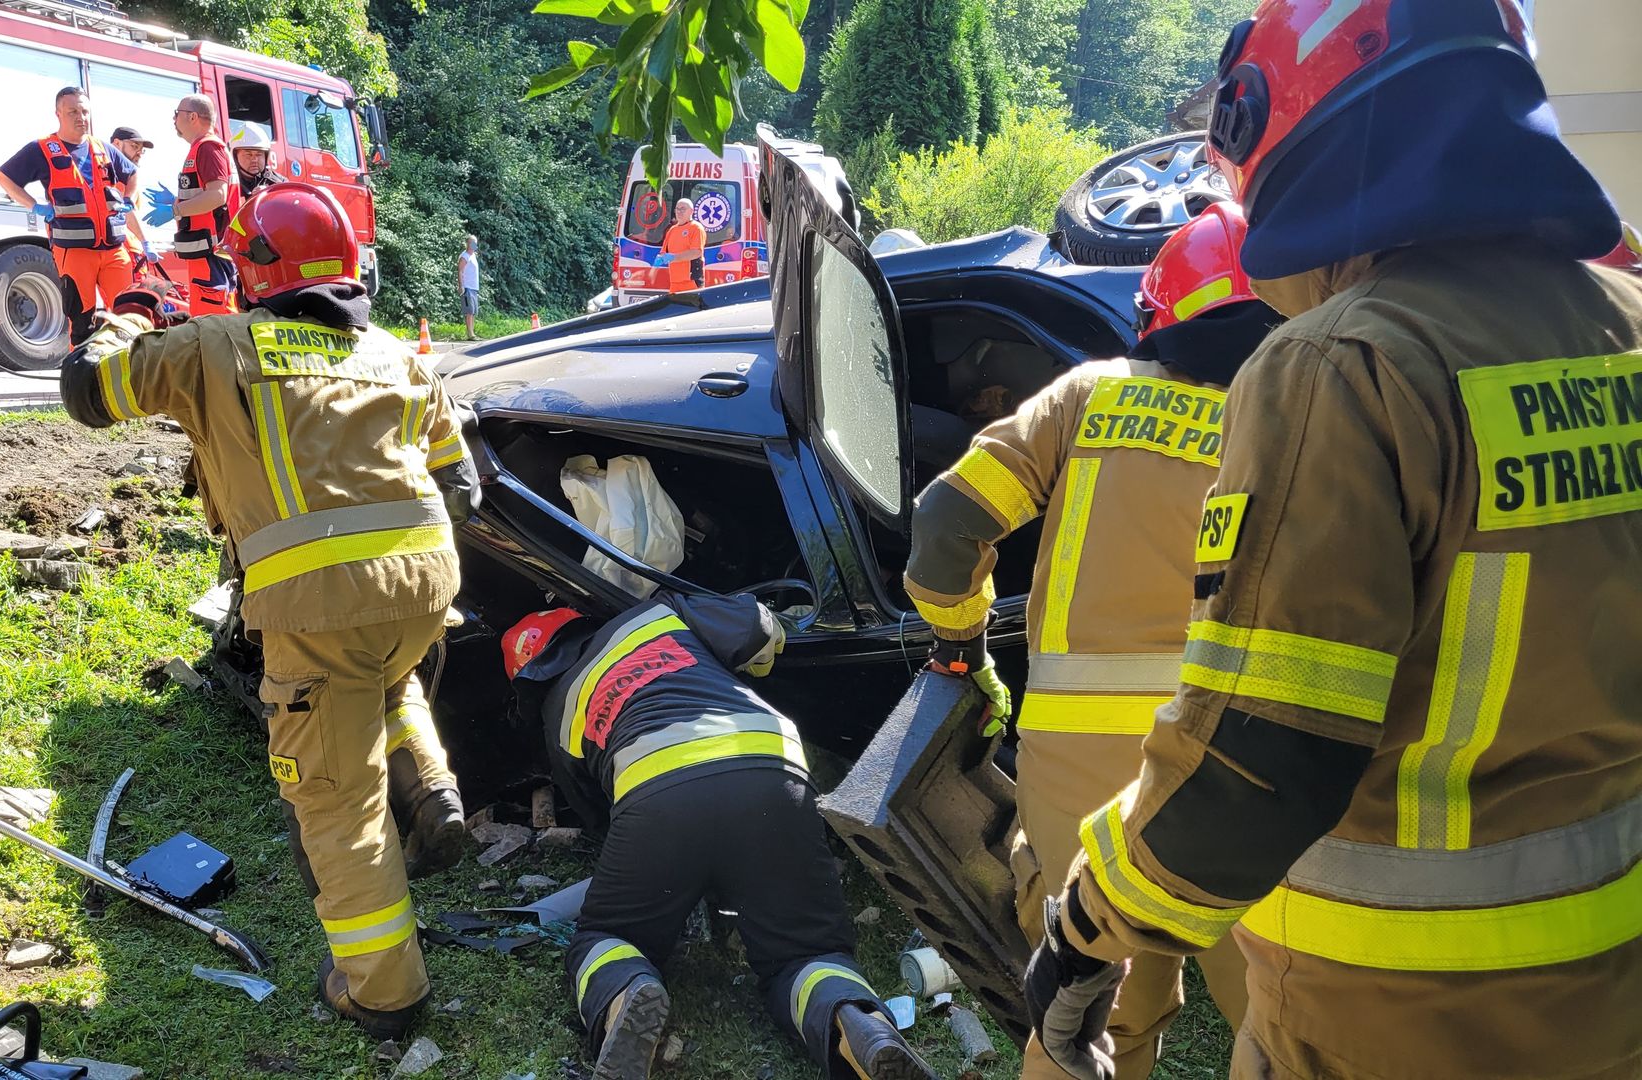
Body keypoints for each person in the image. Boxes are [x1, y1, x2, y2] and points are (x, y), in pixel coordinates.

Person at [1023, 5, 1642, 1080]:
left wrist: (1084, 926)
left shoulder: (1345, 367)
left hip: (1387, 1019)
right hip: (1610, 994)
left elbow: (1258, 764)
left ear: (1286, 134)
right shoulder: (1625, 326)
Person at [59, 182, 478, 1039]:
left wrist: (129, 313)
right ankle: (432, 788)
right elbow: (460, 481)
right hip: (426, 588)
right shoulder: (396, 354)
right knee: (382, 674)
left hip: (320, 607)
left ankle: (385, 993)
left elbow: (87, 391)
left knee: (336, 800)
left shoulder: (210, 346)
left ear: (254, 268)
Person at [906, 203, 1276, 1080]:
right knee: (1284, 1020)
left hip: (1076, 769)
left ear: (1157, 311)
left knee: (1088, 1011)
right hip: (1233, 761)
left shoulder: (1088, 394)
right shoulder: (1293, 419)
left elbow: (948, 522)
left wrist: (964, 645)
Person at [502, 595, 936, 1080]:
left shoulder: (558, 710)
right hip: (774, 768)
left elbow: (600, 819)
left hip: (659, 791)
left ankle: (627, 991)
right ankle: (860, 1026)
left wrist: (684, 868)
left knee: (608, 935)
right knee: (806, 951)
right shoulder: (654, 615)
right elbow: (754, 626)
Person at [0, 87, 138, 344]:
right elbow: (3, 177)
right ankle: (83, 379)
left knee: (129, 315)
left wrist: (127, 199)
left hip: (114, 250)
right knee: (82, 320)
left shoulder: (103, 148)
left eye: (84, 111)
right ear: (58, 114)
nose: (80, 117)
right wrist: (35, 206)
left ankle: (131, 372)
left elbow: (132, 173)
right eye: (73, 111)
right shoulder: (42, 149)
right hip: (74, 251)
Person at [145, 94, 238, 315]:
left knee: (213, 324)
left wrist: (174, 210)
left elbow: (217, 196)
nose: (174, 120)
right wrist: (177, 200)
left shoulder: (207, 148)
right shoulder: (204, 148)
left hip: (211, 254)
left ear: (193, 117)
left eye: (177, 114)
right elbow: (208, 195)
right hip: (207, 253)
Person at [108, 125, 156, 269]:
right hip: (125, 253)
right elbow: (126, 211)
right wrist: (145, 242)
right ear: (116, 143)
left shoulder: (126, 176)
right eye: (134, 146)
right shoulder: (114, 175)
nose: (139, 153)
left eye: (142, 150)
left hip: (129, 251)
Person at [653, 198, 705, 293]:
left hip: (691, 280)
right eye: (677, 209)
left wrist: (674, 257)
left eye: (683, 209)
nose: (679, 212)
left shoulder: (696, 228)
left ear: (691, 211)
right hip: (674, 282)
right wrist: (659, 259)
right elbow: (663, 252)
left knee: (693, 307)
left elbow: (696, 252)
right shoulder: (672, 230)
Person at [228, 120, 285, 199]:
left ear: (266, 156)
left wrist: (272, 193)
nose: (254, 159)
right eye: (248, 154)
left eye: (259, 154)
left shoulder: (279, 182)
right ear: (235, 157)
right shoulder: (228, 185)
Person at [457, 235, 479, 340]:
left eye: (475, 242)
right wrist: (461, 286)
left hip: (474, 287)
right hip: (467, 287)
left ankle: (472, 332)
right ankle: (470, 334)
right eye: (472, 243)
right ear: (468, 244)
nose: (474, 245)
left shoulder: (473, 255)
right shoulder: (464, 256)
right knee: (469, 311)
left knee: (473, 311)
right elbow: (460, 271)